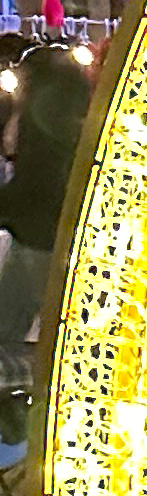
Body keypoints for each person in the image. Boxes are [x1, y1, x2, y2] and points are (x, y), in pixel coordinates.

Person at [0, 41, 89, 351]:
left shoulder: (44, 127)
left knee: (58, 324)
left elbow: (36, 184)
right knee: (12, 317)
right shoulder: (62, 120)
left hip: (43, 240)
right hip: (39, 238)